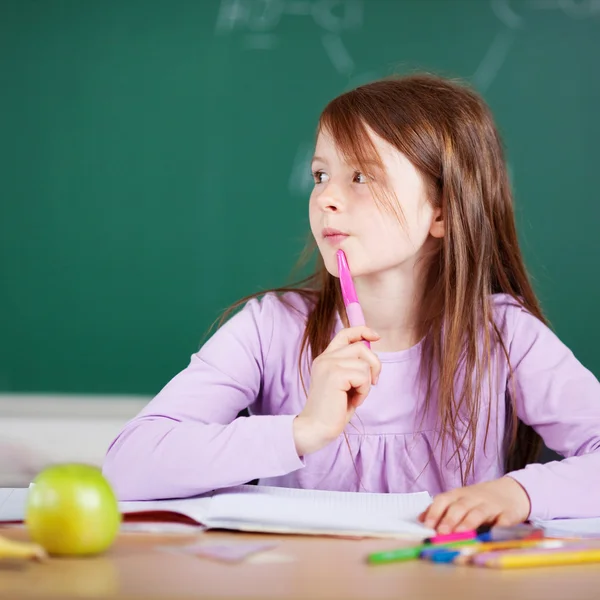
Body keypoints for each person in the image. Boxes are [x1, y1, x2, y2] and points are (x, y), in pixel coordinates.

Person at [103, 73, 600, 533]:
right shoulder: (269, 329)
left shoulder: (504, 336)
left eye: (361, 177)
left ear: (444, 210)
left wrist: (520, 492)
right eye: (321, 175)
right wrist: (303, 430)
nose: (325, 199)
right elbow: (128, 466)